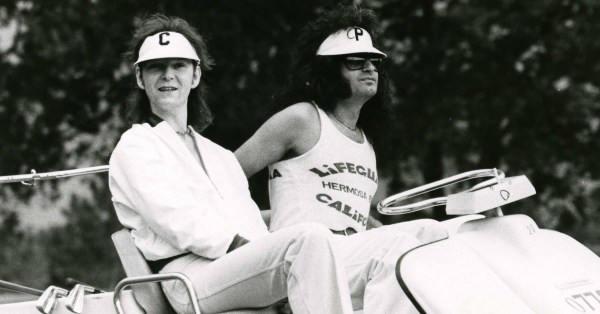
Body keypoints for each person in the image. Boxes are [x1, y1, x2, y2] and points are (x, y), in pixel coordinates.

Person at [108, 14, 354, 314]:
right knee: (308, 238)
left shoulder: (219, 155)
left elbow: (248, 219)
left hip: (233, 268)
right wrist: (254, 253)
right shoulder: (135, 146)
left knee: (323, 239)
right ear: (139, 78)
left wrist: (264, 255)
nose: (167, 75)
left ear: (195, 76)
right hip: (186, 278)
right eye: (156, 67)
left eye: (179, 66)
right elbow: (177, 222)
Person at [235, 4, 448, 313]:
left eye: (374, 60)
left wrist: (375, 227)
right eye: (355, 61)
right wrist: (251, 237)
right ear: (328, 69)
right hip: (305, 260)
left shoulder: (365, 141)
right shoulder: (302, 119)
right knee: (399, 251)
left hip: (350, 257)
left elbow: (353, 216)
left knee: (434, 233)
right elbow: (222, 175)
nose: (369, 68)